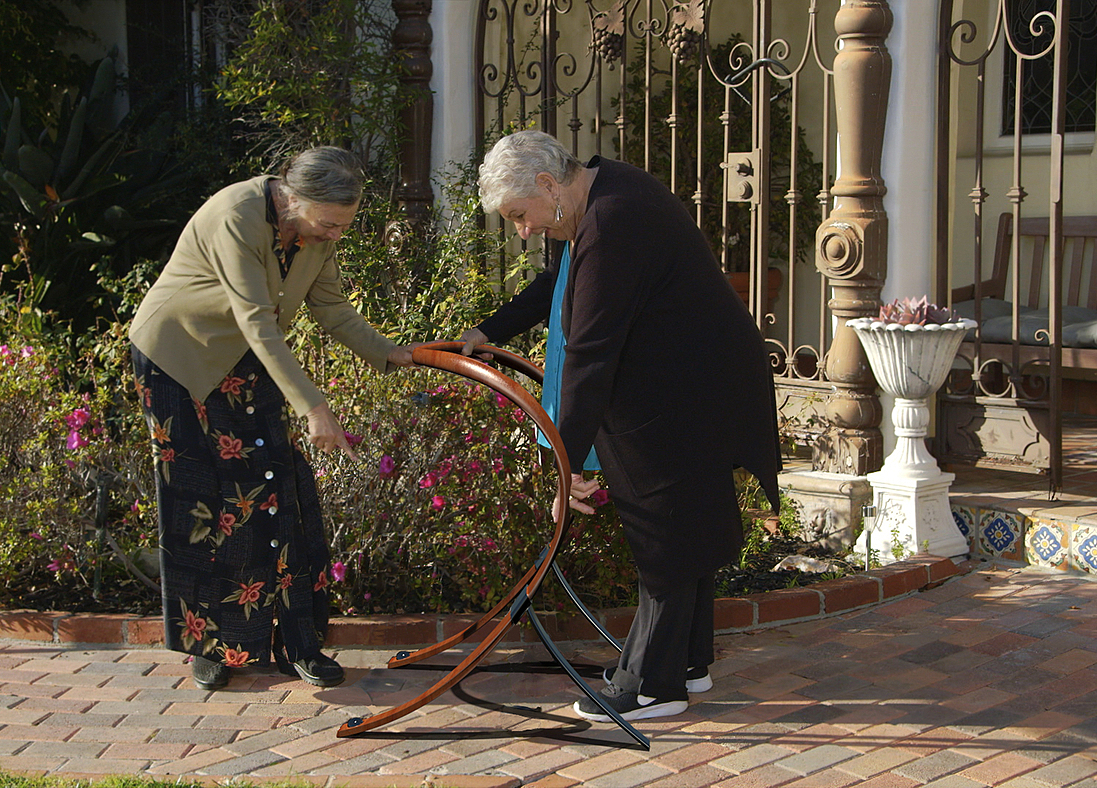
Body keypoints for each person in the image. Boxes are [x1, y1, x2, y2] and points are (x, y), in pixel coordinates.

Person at [459, 130, 780, 722]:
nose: (522, 230)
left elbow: (589, 356)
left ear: (548, 185)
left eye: (519, 215)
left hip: (688, 392)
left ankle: (654, 686)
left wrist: (562, 464)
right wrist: (491, 331)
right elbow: (555, 287)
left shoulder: (611, 224)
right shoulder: (604, 193)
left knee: (662, 527)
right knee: (686, 522)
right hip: (697, 381)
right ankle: (685, 661)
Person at [130, 147, 415, 691]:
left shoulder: (312, 233)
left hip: (244, 357)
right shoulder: (235, 215)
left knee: (277, 488)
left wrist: (388, 351)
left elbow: (329, 306)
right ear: (293, 197)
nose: (335, 234)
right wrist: (314, 406)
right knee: (200, 502)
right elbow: (256, 318)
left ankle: (298, 643)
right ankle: (211, 648)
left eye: (344, 226)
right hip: (178, 359)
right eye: (330, 222)